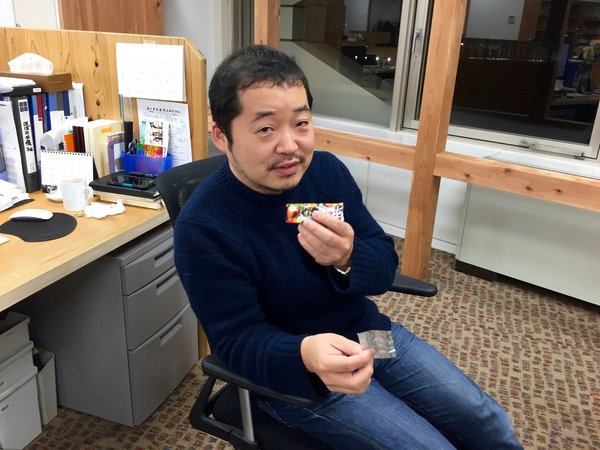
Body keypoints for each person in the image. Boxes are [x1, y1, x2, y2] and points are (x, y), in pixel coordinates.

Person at [174, 44, 523, 449]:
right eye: (266, 129)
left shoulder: (324, 173)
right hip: (301, 370)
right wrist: (306, 354)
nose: (290, 146)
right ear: (222, 135)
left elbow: (383, 266)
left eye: (301, 123)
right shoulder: (204, 227)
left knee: (489, 424)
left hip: (367, 333)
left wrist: (348, 257)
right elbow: (237, 342)